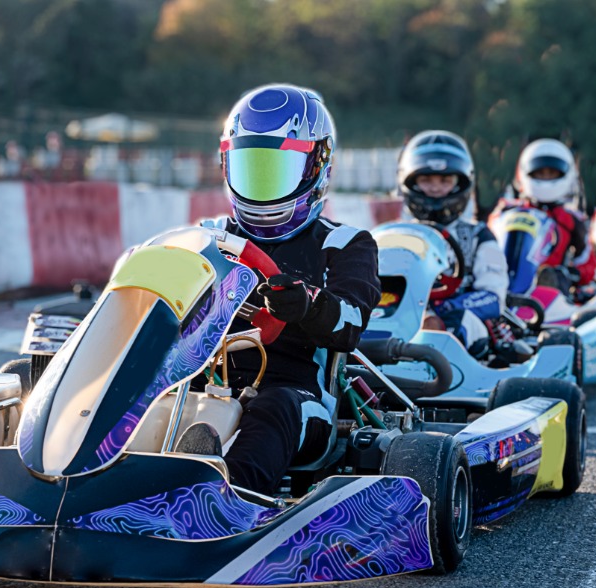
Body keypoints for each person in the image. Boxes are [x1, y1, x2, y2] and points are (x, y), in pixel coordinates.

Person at [183, 84, 381, 495]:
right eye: (251, 169)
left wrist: (308, 305)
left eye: (275, 171)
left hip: (297, 396)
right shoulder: (205, 237)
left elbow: (350, 323)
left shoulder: (344, 244)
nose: (260, 186)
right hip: (200, 383)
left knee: (273, 407)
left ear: (315, 167)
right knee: (146, 394)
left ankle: (225, 501)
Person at [396, 130, 511, 360]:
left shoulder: (478, 235)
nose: (436, 188)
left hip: (461, 321)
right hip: (404, 319)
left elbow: (492, 297)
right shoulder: (398, 234)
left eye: (445, 181)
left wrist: (440, 312)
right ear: (410, 182)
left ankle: (426, 366)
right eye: (426, 180)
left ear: (460, 183)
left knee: (451, 324)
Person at [492, 138, 596, 293]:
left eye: (552, 173)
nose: (546, 178)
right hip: (500, 287)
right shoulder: (505, 211)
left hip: (549, 298)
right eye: (540, 173)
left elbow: (588, 264)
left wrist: (569, 275)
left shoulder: (571, 220)